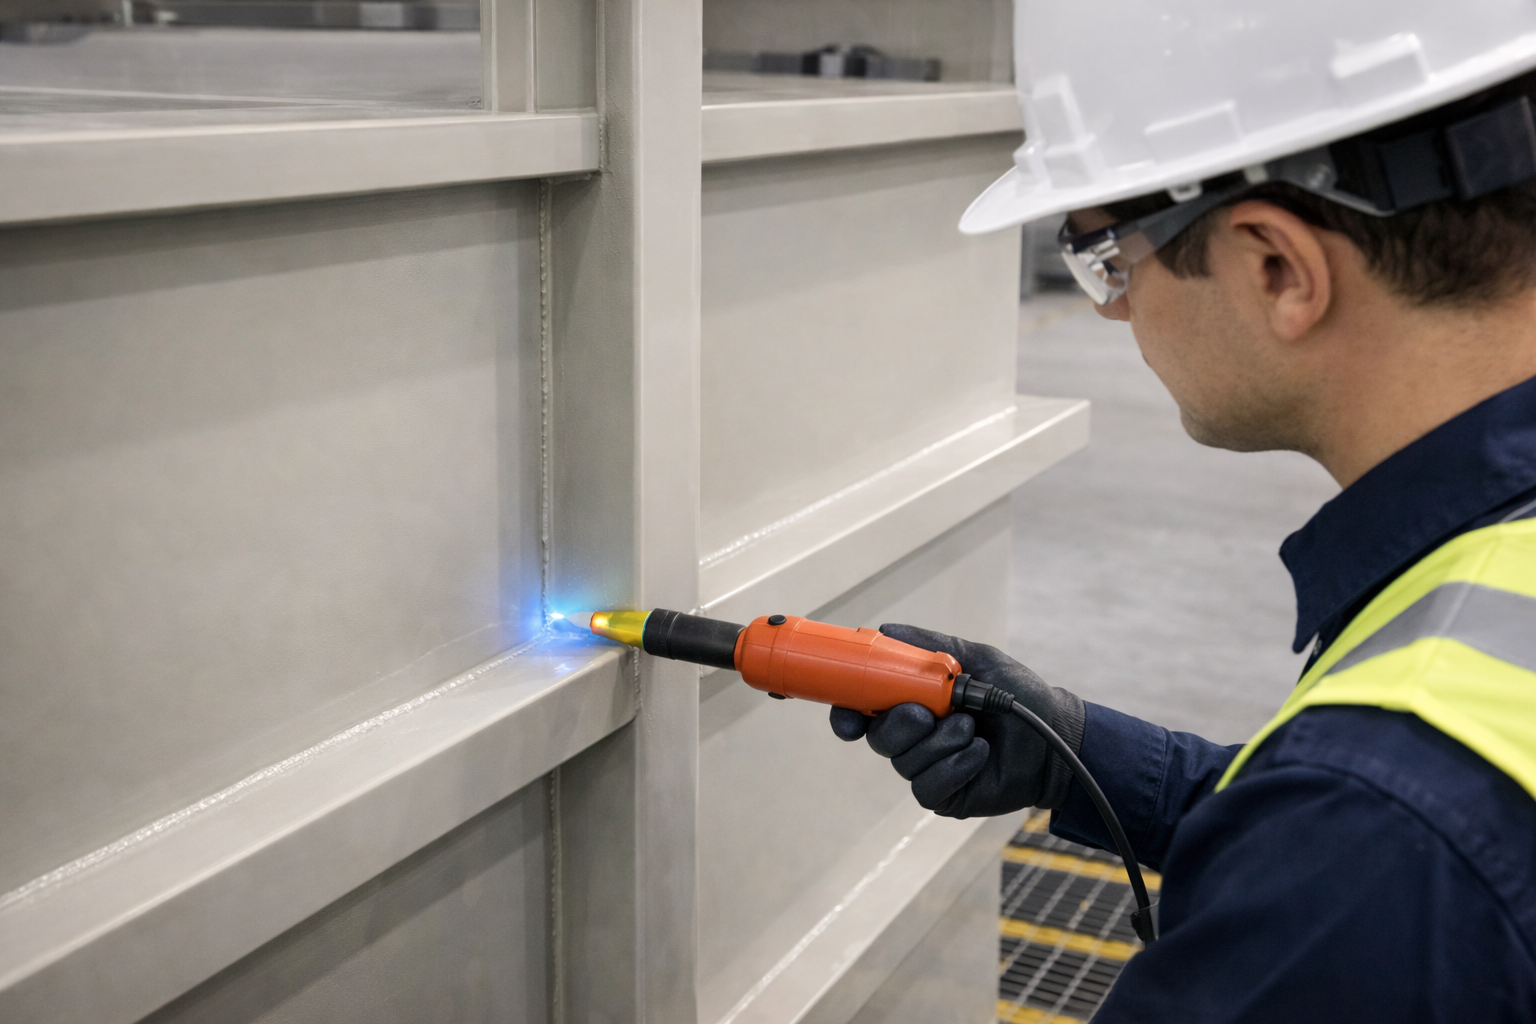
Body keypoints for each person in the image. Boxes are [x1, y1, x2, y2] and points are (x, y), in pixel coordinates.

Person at [831, 5, 1536, 1019]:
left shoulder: (1378, 838)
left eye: (1108, 258)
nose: (1112, 306)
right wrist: (1081, 756)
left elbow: (1370, 841)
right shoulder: (1393, 801)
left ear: (1277, 268)